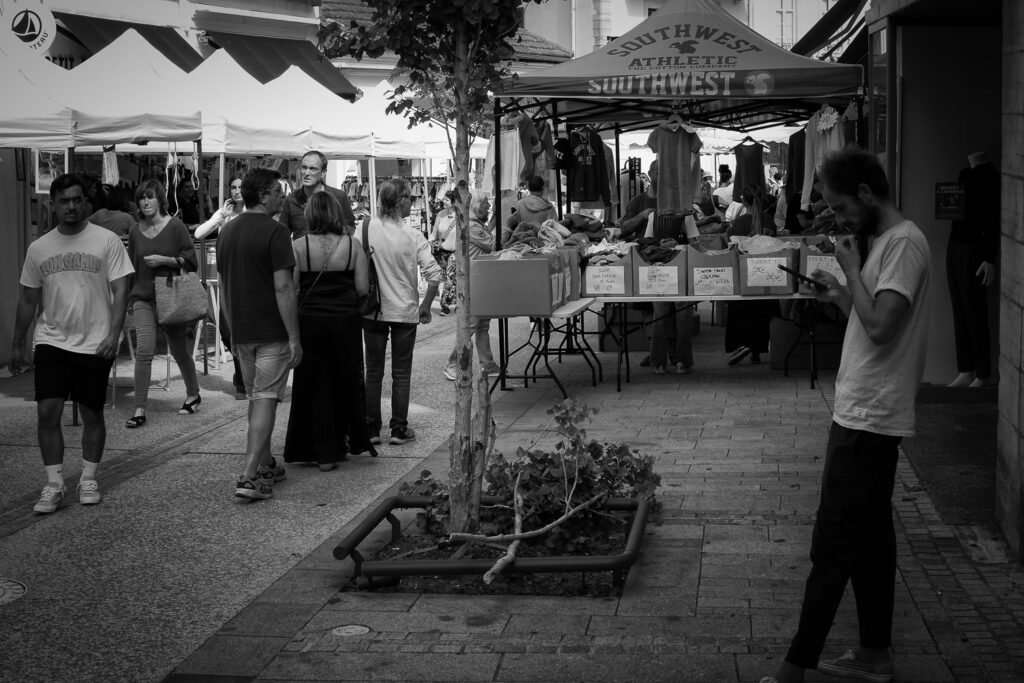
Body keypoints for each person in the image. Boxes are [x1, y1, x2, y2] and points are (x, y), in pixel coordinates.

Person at [761, 148, 931, 683]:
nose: (838, 218)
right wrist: (838, 293)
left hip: (871, 416)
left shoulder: (903, 243)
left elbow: (882, 327)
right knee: (870, 545)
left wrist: (851, 268)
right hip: (863, 409)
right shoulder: (885, 241)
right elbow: (870, 313)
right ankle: (874, 655)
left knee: (831, 544)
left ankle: (793, 669)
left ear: (864, 193)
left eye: (840, 206)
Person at [11, 173, 133, 513]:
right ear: (53, 204)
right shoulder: (40, 247)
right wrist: (18, 342)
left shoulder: (106, 241)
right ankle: (54, 484)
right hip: (51, 339)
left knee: (92, 412)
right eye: (64, 201)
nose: (72, 206)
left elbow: (122, 289)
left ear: (86, 203)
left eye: (77, 200)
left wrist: (114, 334)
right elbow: (27, 298)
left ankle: (88, 478)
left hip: (95, 340)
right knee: (47, 410)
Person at [217, 168, 302, 501]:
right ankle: (249, 475)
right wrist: (294, 337)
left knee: (256, 398)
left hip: (242, 331)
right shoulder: (276, 232)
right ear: (264, 195)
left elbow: (223, 287)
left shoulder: (228, 231)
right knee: (265, 398)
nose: (283, 195)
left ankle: (265, 463)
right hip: (270, 330)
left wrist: (230, 327)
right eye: (278, 191)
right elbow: (284, 287)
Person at [283, 193, 375, 470]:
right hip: (345, 321)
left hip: (310, 320)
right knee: (342, 381)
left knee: (312, 383)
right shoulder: (352, 245)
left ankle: (316, 448)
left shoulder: (298, 246)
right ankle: (338, 445)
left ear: (310, 215)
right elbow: (361, 288)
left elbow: (294, 287)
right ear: (336, 213)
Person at [362, 179, 442, 446]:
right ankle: (398, 429)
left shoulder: (365, 228)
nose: (413, 202)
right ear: (399, 201)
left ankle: (371, 428)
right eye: (409, 197)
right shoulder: (413, 236)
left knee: (373, 371)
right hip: (405, 312)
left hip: (372, 311)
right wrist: (426, 306)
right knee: (401, 373)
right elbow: (434, 275)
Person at [124, 180, 202, 428]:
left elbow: (192, 261)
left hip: (170, 296)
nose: (145, 202)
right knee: (144, 352)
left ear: (160, 200)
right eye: (141, 198)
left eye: (150, 197)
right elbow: (132, 268)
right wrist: (128, 297)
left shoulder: (175, 226)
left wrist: (165, 260)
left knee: (179, 352)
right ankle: (139, 408)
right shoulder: (136, 231)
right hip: (143, 297)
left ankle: (193, 394)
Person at [946, 150, 998, 388]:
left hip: (976, 247)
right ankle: (966, 368)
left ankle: (983, 373)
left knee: (975, 310)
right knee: (959, 307)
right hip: (956, 243)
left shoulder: (990, 178)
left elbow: (994, 219)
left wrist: (989, 257)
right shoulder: (965, 173)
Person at [195, 176, 246, 396]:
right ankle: (241, 373)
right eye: (233, 187)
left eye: (240, 187)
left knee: (243, 332)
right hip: (225, 280)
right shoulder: (225, 213)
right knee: (226, 331)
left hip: (246, 279)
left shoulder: (252, 213)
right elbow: (198, 234)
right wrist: (220, 219)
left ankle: (243, 380)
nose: (236, 191)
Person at [444, 189, 498, 381]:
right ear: (476, 206)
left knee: (482, 325)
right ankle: (452, 363)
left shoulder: (476, 225)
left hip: (479, 281)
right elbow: (493, 245)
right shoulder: (472, 227)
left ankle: (488, 364)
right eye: (486, 204)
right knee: (472, 325)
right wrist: (507, 228)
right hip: (473, 282)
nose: (489, 206)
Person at [277, 150, 356, 238]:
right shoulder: (291, 200)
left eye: (312, 169)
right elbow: (283, 234)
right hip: (302, 251)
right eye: (304, 167)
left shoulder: (338, 197)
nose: (306, 173)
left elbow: (350, 229)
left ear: (323, 173)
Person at [431, 190, 459, 316]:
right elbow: (434, 233)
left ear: (454, 202)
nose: (443, 201)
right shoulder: (440, 215)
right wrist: (429, 243)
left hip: (456, 252)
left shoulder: (461, 216)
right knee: (450, 279)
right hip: (442, 252)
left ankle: (445, 306)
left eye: (447, 200)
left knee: (450, 276)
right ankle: (460, 301)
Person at [617, 159, 658, 240]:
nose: (663, 178)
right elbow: (624, 229)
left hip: (668, 248)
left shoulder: (672, 201)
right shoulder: (637, 201)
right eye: (658, 174)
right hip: (643, 249)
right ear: (650, 173)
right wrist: (642, 215)